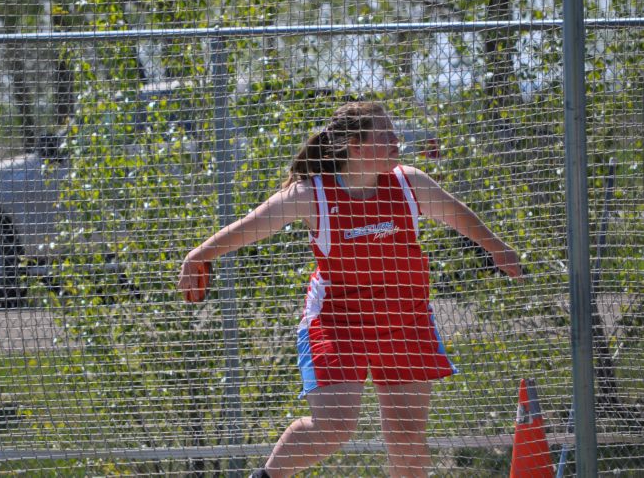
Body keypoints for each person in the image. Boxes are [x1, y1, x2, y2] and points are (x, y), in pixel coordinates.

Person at [178, 101, 523, 478]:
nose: (397, 139)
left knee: (408, 439)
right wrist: (199, 255)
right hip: (338, 322)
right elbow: (252, 225)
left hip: (404, 322)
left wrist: (496, 247)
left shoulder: (410, 183)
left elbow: (458, 214)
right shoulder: (313, 195)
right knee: (334, 427)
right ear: (355, 146)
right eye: (385, 134)